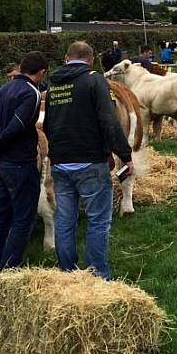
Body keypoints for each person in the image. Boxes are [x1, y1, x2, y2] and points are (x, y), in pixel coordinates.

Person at [43, 41, 134, 280]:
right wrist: (124, 154)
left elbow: (48, 125)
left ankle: (67, 271)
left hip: (60, 163)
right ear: (91, 61)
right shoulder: (95, 81)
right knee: (98, 220)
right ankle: (97, 275)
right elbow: (109, 121)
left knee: (64, 218)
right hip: (90, 162)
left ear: (66, 58)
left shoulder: (54, 85)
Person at [0, 52, 47, 270]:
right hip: (20, 162)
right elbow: (16, 126)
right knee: (23, 217)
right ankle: (9, 268)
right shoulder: (32, 93)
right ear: (41, 72)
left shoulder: (2, 90)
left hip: (0, 163)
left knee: (2, 214)